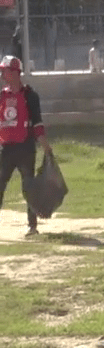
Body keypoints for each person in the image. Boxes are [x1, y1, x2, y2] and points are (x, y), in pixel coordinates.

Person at [0, 56, 50, 237]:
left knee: (28, 186)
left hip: (25, 148)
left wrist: (46, 147)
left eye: (5, 70)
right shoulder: (2, 95)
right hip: (6, 148)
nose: (2, 74)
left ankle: (32, 227)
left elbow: (37, 123)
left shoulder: (30, 95)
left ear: (14, 73)